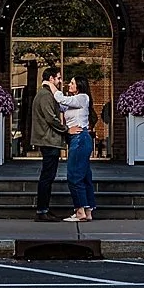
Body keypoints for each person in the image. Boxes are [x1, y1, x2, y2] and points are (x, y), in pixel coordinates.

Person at [30, 66, 68, 221]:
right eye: (58, 78)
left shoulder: (44, 94)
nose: (60, 81)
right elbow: (51, 118)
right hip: (49, 140)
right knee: (47, 176)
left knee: (48, 176)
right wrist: (66, 129)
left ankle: (44, 209)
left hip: (47, 139)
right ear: (51, 79)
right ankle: (42, 211)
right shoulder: (45, 95)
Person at [58, 75, 96, 222]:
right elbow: (60, 104)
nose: (69, 84)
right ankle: (88, 211)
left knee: (74, 176)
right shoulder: (73, 101)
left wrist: (51, 85)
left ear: (79, 85)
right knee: (85, 176)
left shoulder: (83, 97)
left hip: (80, 139)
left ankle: (79, 212)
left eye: (72, 83)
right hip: (78, 140)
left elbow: (60, 99)